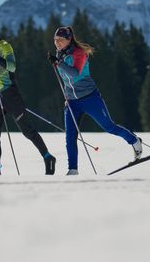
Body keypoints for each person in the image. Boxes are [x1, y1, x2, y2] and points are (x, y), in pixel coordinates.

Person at [48, 26, 142, 175]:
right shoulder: (60, 54)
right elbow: (66, 81)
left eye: (60, 40)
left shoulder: (79, 53)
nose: (57, 43)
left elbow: (74, 73)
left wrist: (58, 63)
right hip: (72, 102)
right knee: (70, 137)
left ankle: (134, 140)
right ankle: (72, 169)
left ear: (69, 39)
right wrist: (67, 95)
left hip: (90, 98)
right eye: (55, 40)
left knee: (109, 127)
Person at [0, 19, 56, 175]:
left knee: (26, 130)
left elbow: (12, 67)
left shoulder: (5, 46)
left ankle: (48, 157)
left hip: (10, 94)